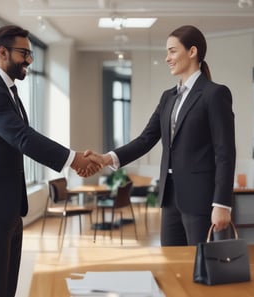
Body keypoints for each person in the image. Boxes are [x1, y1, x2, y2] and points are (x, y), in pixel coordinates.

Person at [0, 25, 100, 297]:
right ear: (2, 52)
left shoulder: (8, 90)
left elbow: (23, 138)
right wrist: (73, 159)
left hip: (8, 206)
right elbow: (23, 137)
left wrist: (72, 159)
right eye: (24, 53)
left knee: (6, 288)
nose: (30, 60)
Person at [86, 25, 236, 246]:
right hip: (169, 197)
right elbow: (146, 139)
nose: (167, 58)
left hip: (200, 198)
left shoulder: (214, 94)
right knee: (170, 264)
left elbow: (225, 152)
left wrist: (222, 204)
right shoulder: (168, 97)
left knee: (199, 266)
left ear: (192, 51)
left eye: (172, 51)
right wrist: (107, 158)